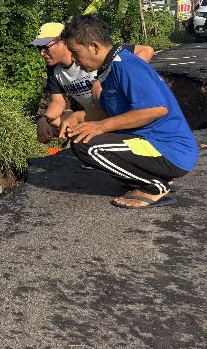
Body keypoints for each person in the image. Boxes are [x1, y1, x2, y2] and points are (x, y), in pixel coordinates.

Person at [57, 15, 198, 208]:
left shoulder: (125, 65)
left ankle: (153, 186)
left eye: (75, 52)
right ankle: (153, 177)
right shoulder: (110, 68)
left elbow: (156, 110)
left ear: (94, 47)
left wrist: (101, 126)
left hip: (169, 151)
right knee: (83, 134)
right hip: (152, 145)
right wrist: (77, 116)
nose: (74, 59)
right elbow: (109, 112)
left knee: (87, 145)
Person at [31, 22, 154, 143]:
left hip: (117, 111)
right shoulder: (54, 68)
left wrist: (110, 78)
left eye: (45, 47)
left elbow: (146, 50)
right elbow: (58, 102)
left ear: (63, 42)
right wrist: (44, 119)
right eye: (39, 48)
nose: (42, 53)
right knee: (54, 120)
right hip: (93, 114)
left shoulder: (92, 55)